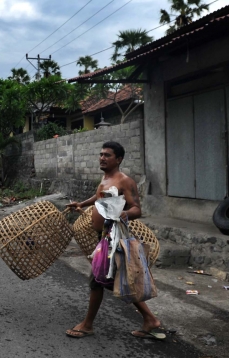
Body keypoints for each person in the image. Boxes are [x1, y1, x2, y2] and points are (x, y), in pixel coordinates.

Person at [65, 141, 165, 340]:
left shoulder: (124, 181)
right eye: (101, 154)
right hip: (102, 237)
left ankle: (87, 325)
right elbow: (98, 196)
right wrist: (82, 204)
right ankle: (150, 319)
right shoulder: (105, 179)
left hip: (114, 238)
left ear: (118, 159)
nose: (102, 158)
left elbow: (137, 209)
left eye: (107, 155)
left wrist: (121, 214)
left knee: (96, 280)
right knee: (116, 279)